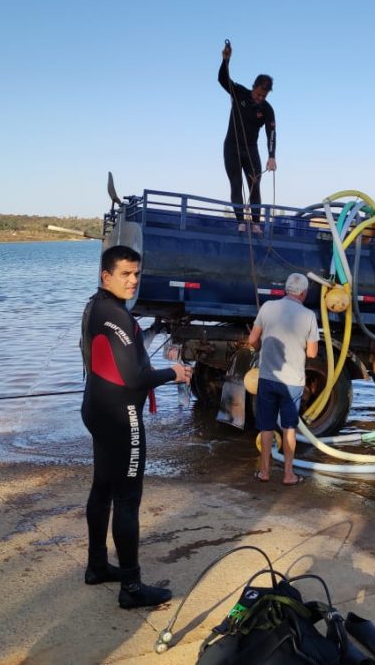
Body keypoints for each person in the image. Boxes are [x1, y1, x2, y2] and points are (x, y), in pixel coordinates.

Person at [80, 244, 193, 609]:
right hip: (120, 414)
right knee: (127, 499)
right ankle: (131, 587)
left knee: (102, 487)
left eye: (136, 274)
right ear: (106, 276)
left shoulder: (95, 307)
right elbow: (134, 376)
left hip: (98, 407)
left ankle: (97, 564)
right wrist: (173, 372)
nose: (132, 281)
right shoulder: (114, 314)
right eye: (125, 274)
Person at [247, 272, 318, 485]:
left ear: (285, 290)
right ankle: (288, 475)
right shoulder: (309, 316)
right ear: (304, 293)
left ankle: (264, 472)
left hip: (268, 377)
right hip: (293, 383)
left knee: (266, 427)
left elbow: (253, 340)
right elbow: (313, 354)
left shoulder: (267, 307)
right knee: (288, 428)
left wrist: (260, 347)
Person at [219, 40, 276, 231]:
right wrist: (226, 60)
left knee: (254, 184)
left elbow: (271, 132)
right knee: (236, 183)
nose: (260, 98)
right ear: (254, 87)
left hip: (250, 149)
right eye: (258, 94)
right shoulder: (240, 93)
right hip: (232, 147)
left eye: (264, 96)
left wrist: (271, 156)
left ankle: (256, 223)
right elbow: (222, 79)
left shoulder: (267, 110)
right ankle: (241, 222)